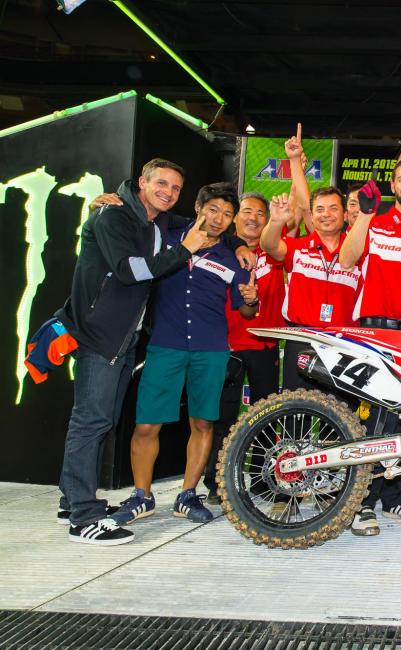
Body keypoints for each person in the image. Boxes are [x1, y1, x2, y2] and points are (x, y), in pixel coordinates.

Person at [54, 159, 210, 545]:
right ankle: (83, 518)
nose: (168, 192)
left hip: (124, 338)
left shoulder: (156, 219)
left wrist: (236, 244)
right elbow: (131, 271)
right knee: (91, 421)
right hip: (101, 335)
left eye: (175, 188)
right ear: (142, 182)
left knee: (100, 421)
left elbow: (210, 228)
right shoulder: (114, 216)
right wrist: (186, 251)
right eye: (161, 184)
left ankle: (70, 500)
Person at [113, 182, 257, 527]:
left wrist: (250, 299)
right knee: (147, 423)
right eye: (213, 210)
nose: (220, 219)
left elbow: (246, 312)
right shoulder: (168, 235)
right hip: (165, 345)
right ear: (197, 207)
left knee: (204, 422)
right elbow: (139, 213)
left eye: (227, 215)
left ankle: (187, 494)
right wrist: (113, 200)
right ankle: (141, 495)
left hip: (211, 349)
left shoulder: (233, 257)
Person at [338, 157, 401, 535]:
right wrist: (364, 213)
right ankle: (361, 503)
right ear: (394, 185)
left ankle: (395, 497)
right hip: (374, 329)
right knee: (372, 420)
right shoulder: (374, 221)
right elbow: (347, 259)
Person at [203, 192, 285, 504]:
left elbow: (300, 208)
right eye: (246, 212)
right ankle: (218, 484)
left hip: (264, 344)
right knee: (223, 417)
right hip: (225, 345)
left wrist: (295, 163)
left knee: (266, 415)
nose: (253, 218)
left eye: (260, 213)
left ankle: (263, 480)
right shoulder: (221, 249)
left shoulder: (274, 249)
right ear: (235, 218)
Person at [261, 186, 361, 390]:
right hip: (301, 339)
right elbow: (269, 246)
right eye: (320, 209)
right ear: (312, 217)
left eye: (333, 208)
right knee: (297, 412)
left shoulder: (359, 252)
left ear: (344, 214)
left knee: (342, 412)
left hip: (344, 343)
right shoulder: (297, 247)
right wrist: (276, 221)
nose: (326, 214)